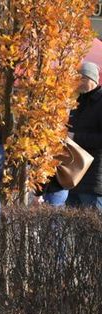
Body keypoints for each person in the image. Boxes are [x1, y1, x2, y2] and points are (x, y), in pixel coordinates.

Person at [65, 61, 102, 210]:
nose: (77, 82)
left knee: (92, 230)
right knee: (71, 230)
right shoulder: (77, 103)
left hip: (93, 180)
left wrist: (75, 137)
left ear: (92, 80)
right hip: (74, 176)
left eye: (81, 78)